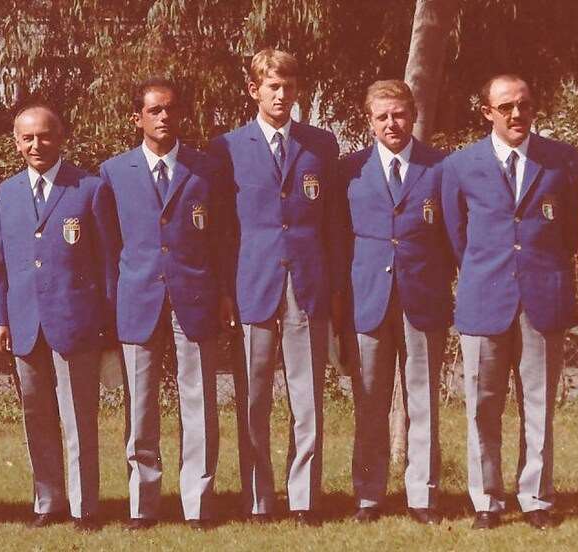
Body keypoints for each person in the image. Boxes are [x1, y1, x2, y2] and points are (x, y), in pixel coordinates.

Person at [438, 73, 578, 530]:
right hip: (485, 298)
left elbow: (571, 231)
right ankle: (486, 500)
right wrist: (489, 270)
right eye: (506, 107)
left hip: (542, 299)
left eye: (524, 104)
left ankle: (536, 498)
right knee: (482, 406)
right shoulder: (460, 166)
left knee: (538, 404)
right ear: (487, 113)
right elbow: (456, 236)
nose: (517, 114)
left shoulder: (561, 160)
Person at [207, 49, 346, 524]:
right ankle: (258, 499)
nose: (281, 95)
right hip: (253, 283)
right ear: (254, 90)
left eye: (288, 86)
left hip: (307, 283)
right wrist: (225, 289)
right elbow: (221, 229)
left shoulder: (321, 144)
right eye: (272, 86)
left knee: (307, 398)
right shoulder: (226, 147)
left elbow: (333, 223)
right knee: (254, 399)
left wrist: (334, 285)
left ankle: (304, 498)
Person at [97, 79, 228, 530]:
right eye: (154, 110)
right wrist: (114, 300)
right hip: (138, 298)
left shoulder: (205, 169)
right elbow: (108, 245)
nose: (164, 117)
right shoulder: (114, 172)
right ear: (137, 118)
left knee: (200, 403)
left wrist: (222, 293)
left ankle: (198, 503)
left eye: (171, 109)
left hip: (195, 297)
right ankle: (142, 504)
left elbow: (222, 237)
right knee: (140, 406)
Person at [0, 104, 118, 530]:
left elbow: (107, 264)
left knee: (78, 418)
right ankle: (48, 501)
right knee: (37, 416)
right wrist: (2, 319)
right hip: (25, 323)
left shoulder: (89, 188)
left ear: (60, 137)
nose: (36, 145)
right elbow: (0, 266)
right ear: (16, 142)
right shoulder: (5, 194)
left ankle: (85, 507)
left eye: (44, 136)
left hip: (75, 323)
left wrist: (107, 325)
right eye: (27, 138)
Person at [338, 80, 450, 525]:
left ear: (413, 116)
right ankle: (369, 495)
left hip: (423, 299)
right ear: (369, 121)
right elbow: (337, 239)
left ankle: (423, 495)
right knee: (369, 401)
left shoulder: (440, 167)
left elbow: (454, 236)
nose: (392, 123)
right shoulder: (349, 170)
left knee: (422, 400)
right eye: (382, 116)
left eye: (399, 114)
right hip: (367, 300)